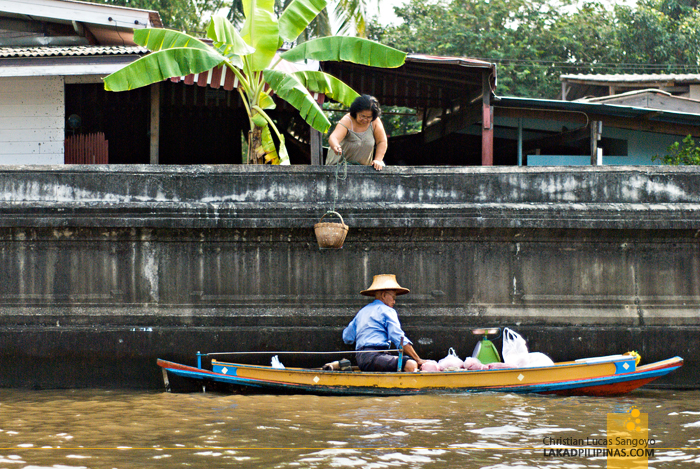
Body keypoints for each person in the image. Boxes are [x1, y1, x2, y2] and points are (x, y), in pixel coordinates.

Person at [342, 274, 425, 372]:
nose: (394, 301)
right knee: (411, 364)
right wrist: (417, 359)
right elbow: (397, 336)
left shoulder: (362, 312)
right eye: (393, 297)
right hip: (375, 357)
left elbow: (347, 338)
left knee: (396, 362)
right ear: (384, 295)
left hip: (362, 359)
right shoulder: (387, 310)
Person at [326, 95, 388, 170]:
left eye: (368, 117)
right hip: (338, 168)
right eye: (362, 116)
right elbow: (334, 137)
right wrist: (336, 146)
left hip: (363, 170)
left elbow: (382, 141)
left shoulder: (375, 121)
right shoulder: (347, 120)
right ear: (356, 112)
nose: (365, 119)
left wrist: (378, 160)